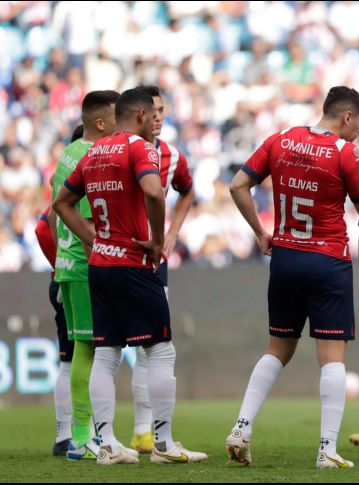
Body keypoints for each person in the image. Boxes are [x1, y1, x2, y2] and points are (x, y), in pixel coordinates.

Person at [226, 86, 359, 469]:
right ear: (347, 116)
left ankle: (241, 427)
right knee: (332, 355)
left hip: (285, 258)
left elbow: (237, 185)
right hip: (327, 261)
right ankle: (327, 450)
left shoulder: (280, 139)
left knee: (278, 348)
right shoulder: (345, 151)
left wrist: (260, 233)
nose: (358, 130)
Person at [53, 88, 207, 465]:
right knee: (161, 350)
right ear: (140, 115)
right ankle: (164, 444)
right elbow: (154, 192)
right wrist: (157, 241)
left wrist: (94, 239)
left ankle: (106, 445)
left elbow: (61, 203)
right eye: (153, 113)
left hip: (99, 266)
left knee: (106, 353)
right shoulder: (140, 148)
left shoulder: (93, 151)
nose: (157, 119)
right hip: (134, 264)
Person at [48, 90, 119, 461]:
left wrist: (62, 260)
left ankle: (81, 436)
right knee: (91, 350)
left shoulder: (69, 153)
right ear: (101, 122)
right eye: (118, 117)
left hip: (67, 265)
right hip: (85, 265)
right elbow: (89, 225)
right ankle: (83, 438)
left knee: (81, 349)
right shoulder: (92, 158)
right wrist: (103, 268)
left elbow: (52, 214)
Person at [126, 85, 195, 455]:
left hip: (153, 261)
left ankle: (143, 431)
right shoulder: (120, 149)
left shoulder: (171, 154)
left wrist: (170, 234)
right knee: (105, 349)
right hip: (118, 255)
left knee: (149, 348)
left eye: (162, 110)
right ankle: (90, 434)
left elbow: (187, 191)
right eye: (152, 109)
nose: (157, 116)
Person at [35, 207, 75, 456]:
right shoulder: (76, 192)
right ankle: (80, 435)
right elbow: (42, 229)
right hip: (75, 282)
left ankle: (66, 436)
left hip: (66, 279)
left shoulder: (65, 192)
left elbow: (43, 227)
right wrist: (62, 267)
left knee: (73, 361)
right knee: (88, 359)